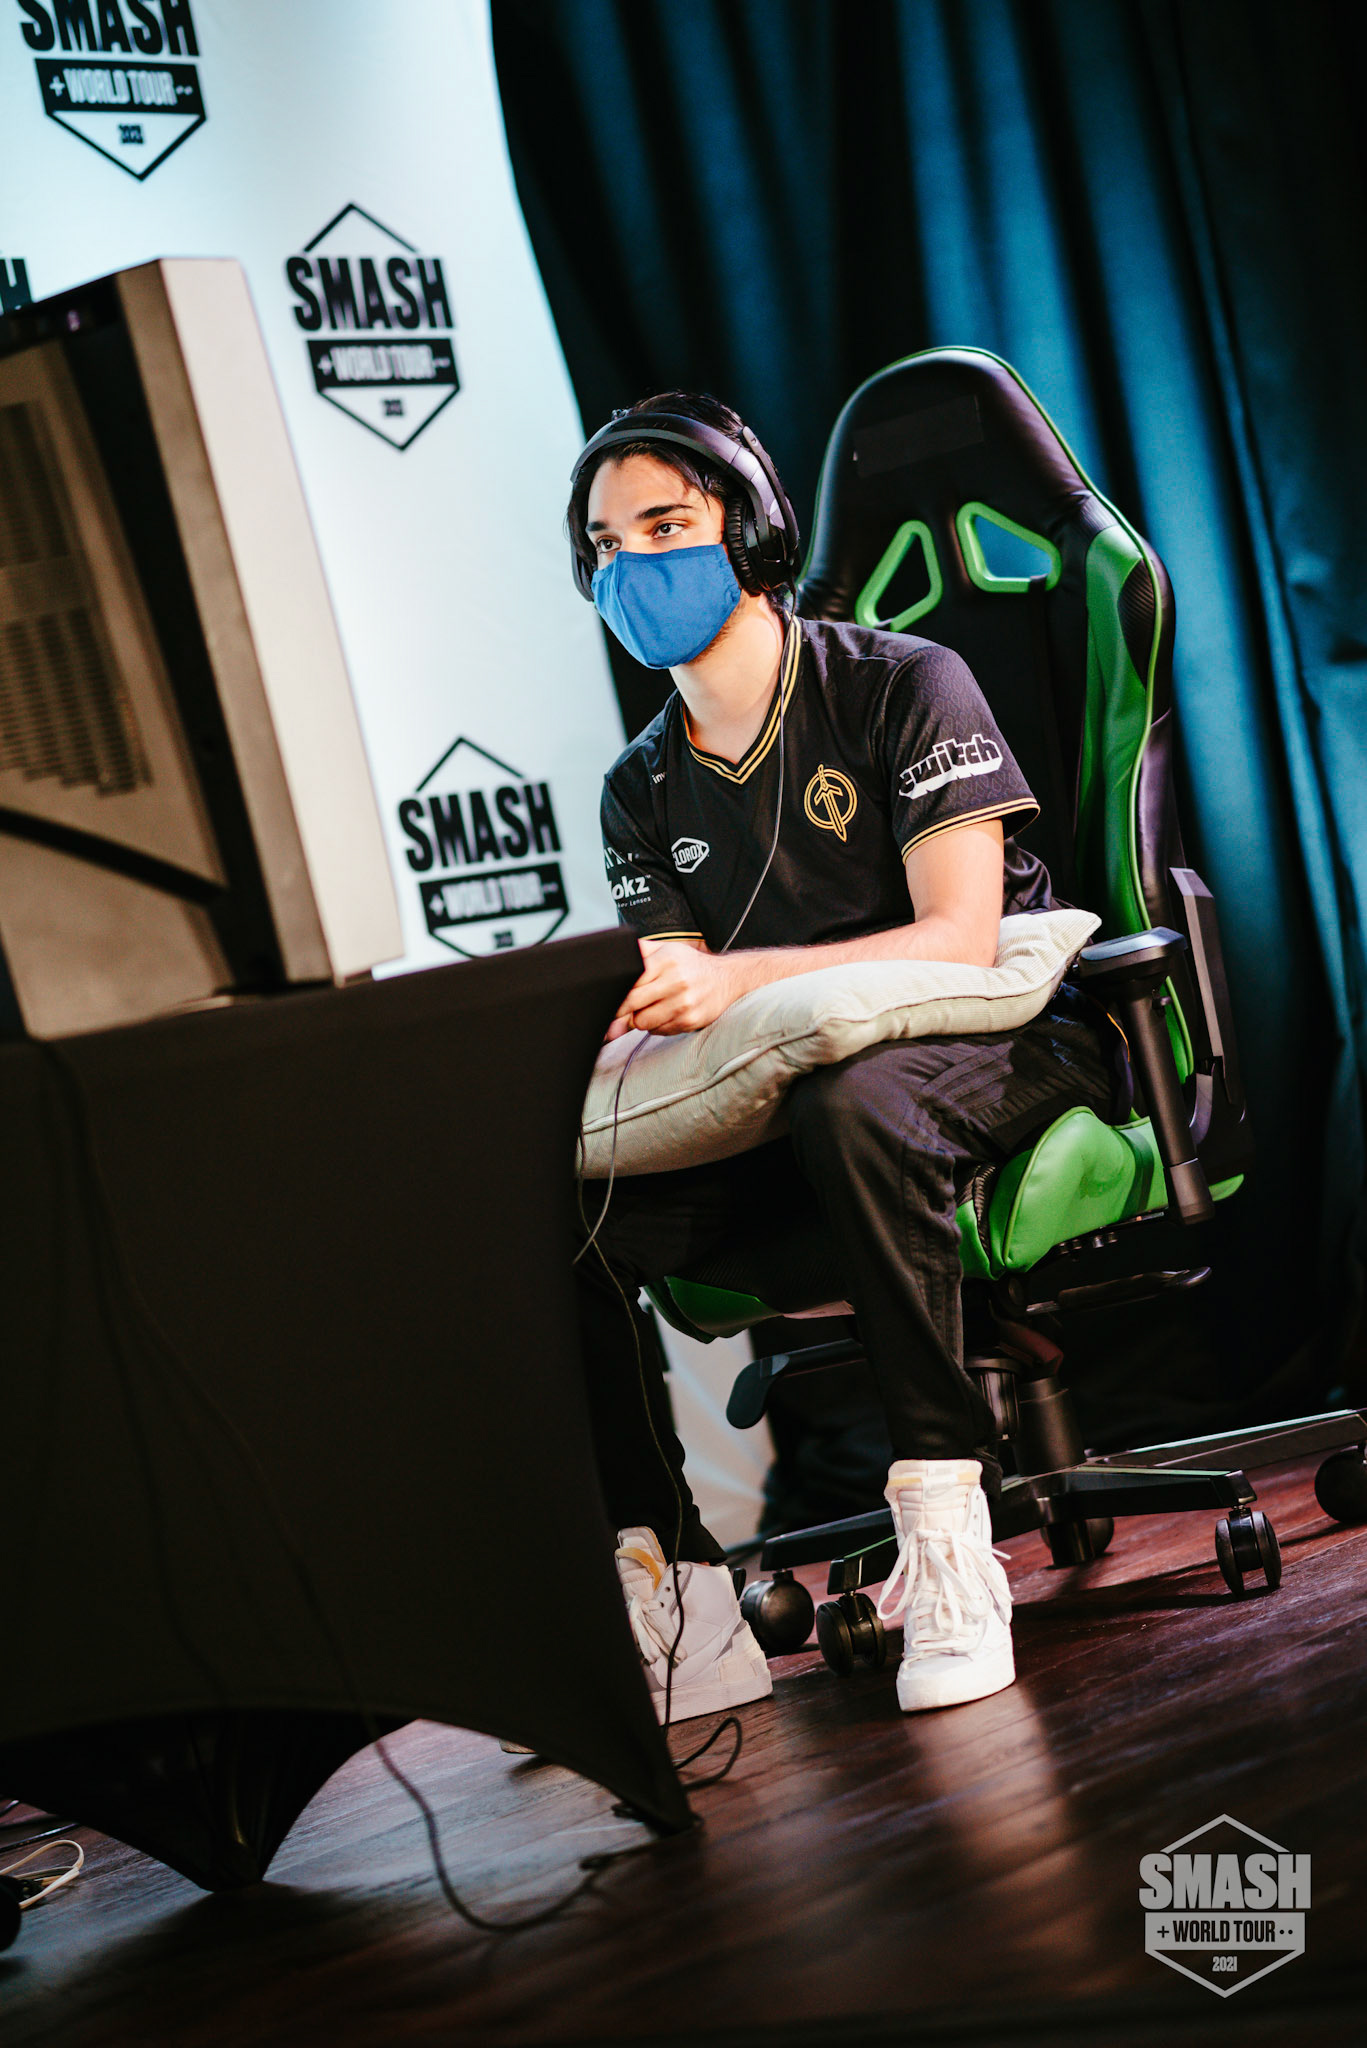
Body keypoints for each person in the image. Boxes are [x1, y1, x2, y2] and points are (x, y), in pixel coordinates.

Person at [568, 391, 1117, 1721]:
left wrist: (731, 980)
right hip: (800, 1105)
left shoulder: (902, 680)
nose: (632, 565)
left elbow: (961, 941)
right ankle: (676, 1589)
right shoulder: (639, 786)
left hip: (1008, 1049)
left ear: (754, 533)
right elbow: (688, 1011)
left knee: (852, 1097)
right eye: (604, 543)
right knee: (564, 1206)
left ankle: (946, 1530)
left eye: (666, 526)